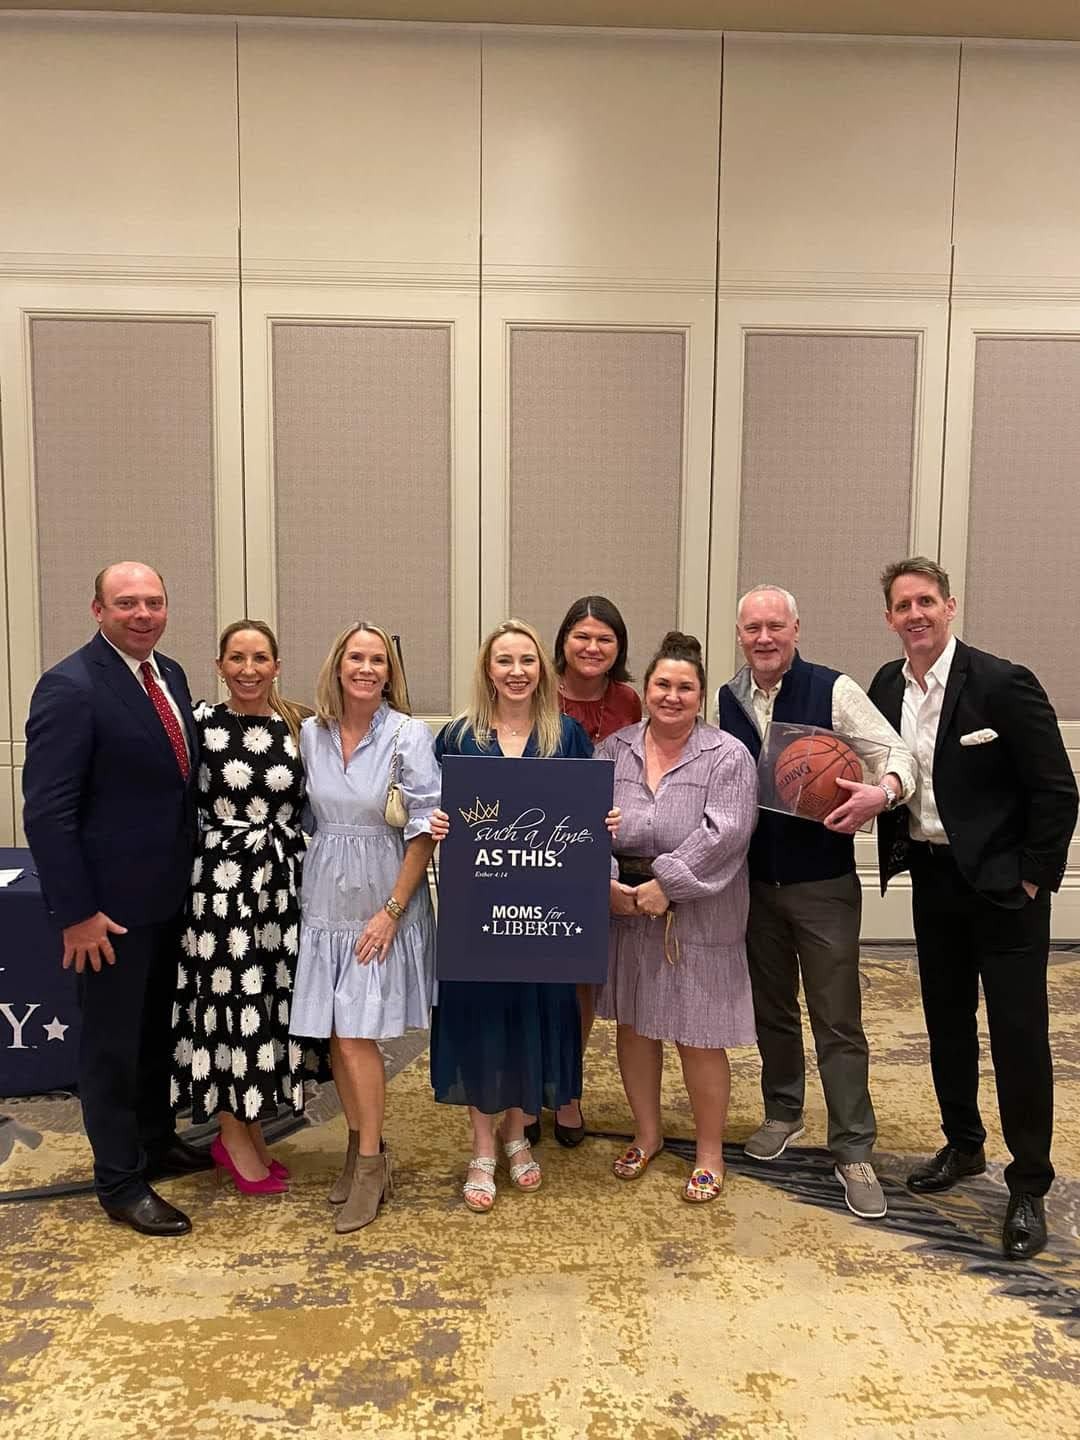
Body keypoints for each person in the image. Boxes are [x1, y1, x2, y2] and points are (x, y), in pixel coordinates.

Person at [868, 557, 1077, 1259]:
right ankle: (963, 1145)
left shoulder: (1002, 683)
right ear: (889, 618)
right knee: (947, 1023)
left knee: (1019, 1036)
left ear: (950, 607)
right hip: (934, 881)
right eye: (904, 605)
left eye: (927, 601)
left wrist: (1033, 880)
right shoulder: (884, 686)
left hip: (1005, 892)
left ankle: (1030, 1183)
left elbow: (1057, 790)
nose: (916, 614)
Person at [715, 585, 915, 1221]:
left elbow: (897, 753)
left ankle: (853, 1148)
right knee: (772, 1009)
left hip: (823, 883)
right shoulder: (727, 698)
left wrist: (882, 793)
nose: (764, 638)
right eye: (753, 628)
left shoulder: (834, 689)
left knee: (837, 1019)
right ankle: (783, 1111)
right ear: (740, 635)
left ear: (796, 629)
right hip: (754, 885)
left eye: (775, 626)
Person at [23, 561, 208, 1237]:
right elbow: (48, 813)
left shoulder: (171, 675)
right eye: (126, 603)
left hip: (168, 898)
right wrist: (76, 914)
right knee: (110, 1048)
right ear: (97, 610)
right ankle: (120, 1182)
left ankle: (156, 1141)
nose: (142, 614)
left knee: (156, 1034)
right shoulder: (70, 687)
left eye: (153, 602)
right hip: (106, 913)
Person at [431, 618, 615, 1213]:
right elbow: (429, 806)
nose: (516, 672)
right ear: (488, 670)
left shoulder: (567, 736)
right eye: (504, 661)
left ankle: (516, 1132)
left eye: (527, 661)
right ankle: (482, 1146)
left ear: (543, 670)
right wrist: (435, 821)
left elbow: (585, 817)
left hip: (545, 916)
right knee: (482, 1022)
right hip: (478, 914)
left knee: (531, 1019)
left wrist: (604, 819)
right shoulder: (457, 738)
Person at [290, 622, 440, 1234]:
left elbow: (425, 829)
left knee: (356, 1036)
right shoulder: (311, 733)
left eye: (378, 659)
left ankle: (374, 1164)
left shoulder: (409, 735)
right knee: (335, 1033)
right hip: (325, 897)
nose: (367, 668)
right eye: (356, 657)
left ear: (390, 672)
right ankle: (357, 1147)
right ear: (338, 665)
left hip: (384, 898)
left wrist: (392, 911)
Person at [597, 631, 757, 1203]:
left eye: (684, 687)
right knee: (636, 1026)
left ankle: (710, 1152)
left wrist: (666, 885)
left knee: (698, 1033)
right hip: (624, 909)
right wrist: (606, 885)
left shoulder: (727, 756)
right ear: (645, 690)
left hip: (700, 912)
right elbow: (583, 823)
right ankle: (647, 1134)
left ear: (700, 695)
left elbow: (726, 834)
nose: (672, 696)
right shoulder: (613, 750)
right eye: (662, 684)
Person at [171, 620, 325, 1196]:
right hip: (222, 884)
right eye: (236, 658)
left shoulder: (298, 725)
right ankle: (231, 1135)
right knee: (229, 1004)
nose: (249, 669)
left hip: (282, 885)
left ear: (277, 666)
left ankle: (253, 1128)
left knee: (267, 1006)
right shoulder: (200, 724)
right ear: (219, 665)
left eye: (260, 658)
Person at [551, 595, 642, 1147]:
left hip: (601, 851)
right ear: (563, 640)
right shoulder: (538, 690)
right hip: (539, 847)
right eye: (581, 636)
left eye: (604, 638)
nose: (592, 647)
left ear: (619, 646)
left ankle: (568, 1087)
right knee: (540, 975)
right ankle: (529, 1086)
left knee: (582, 978)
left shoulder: (630, 699)